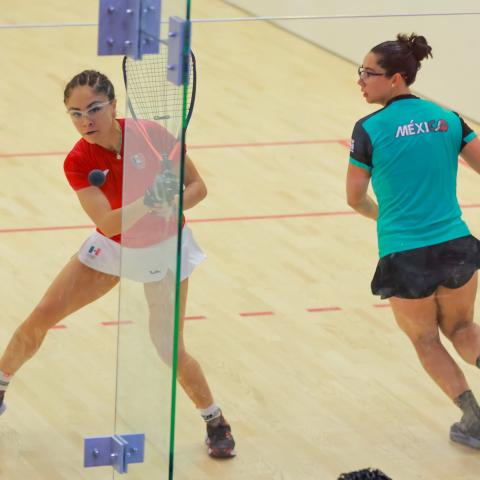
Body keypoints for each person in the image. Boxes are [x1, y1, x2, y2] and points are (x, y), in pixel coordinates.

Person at [0, 70, 236, 459]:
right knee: (41, 316)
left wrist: (173, 202)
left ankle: (214, 419)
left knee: (168, 348)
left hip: (164, 250)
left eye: (93, 109)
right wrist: (148, 200)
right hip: (112, 248)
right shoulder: (77, 160)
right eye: (74, 114)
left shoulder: (152, 135)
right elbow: (107, 222)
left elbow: (198, 187)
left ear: (113, 104)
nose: (85, 120)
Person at [346, 33, 480, 449]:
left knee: (425, 340)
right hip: (457, 245)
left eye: (368, 73)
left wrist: (381, 216)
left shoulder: (368, 129)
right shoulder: (449, 118)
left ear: (396, 78)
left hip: (405, 255)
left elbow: (354, 197)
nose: (361, 81)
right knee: (461, 327)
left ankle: (475, 422)